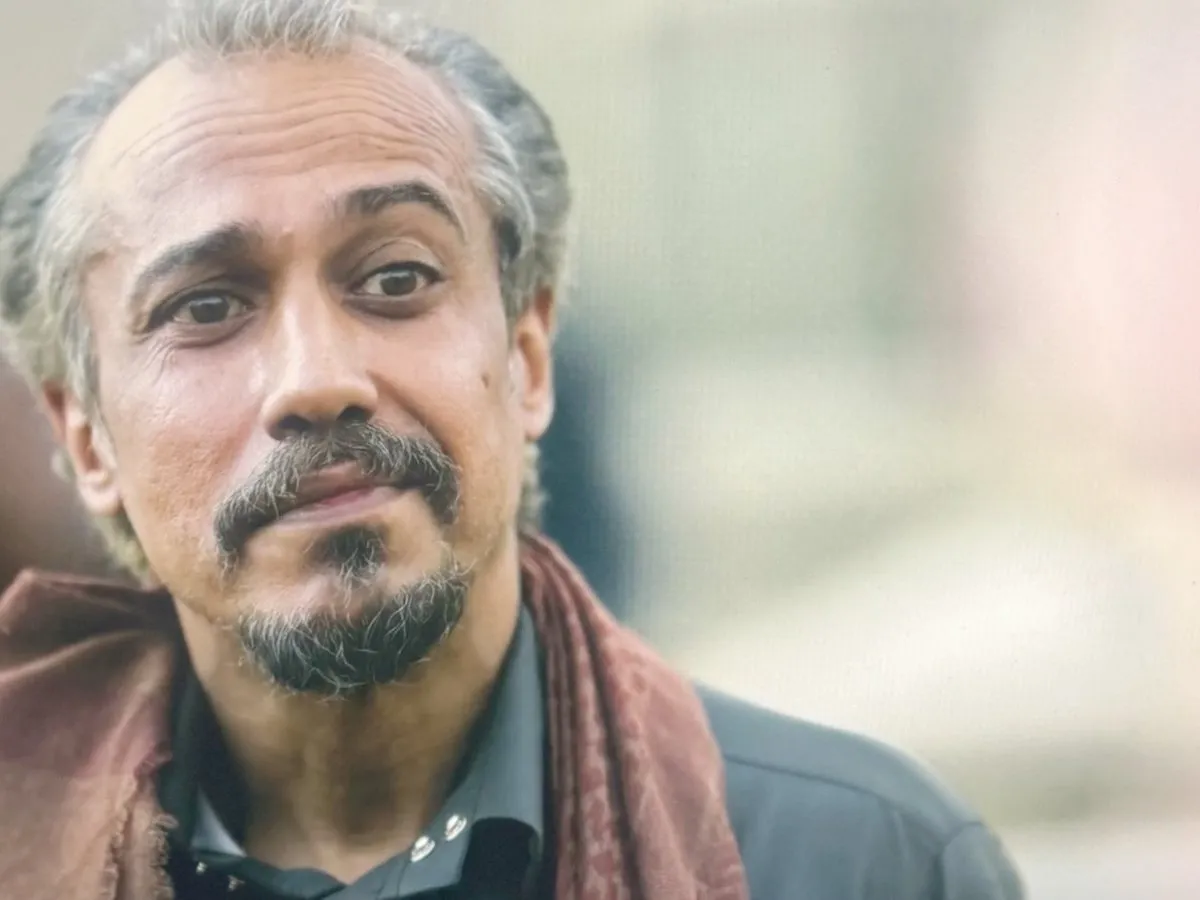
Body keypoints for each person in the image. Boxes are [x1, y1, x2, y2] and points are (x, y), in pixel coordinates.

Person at [0, 1, 1021, 897]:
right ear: (87, 438)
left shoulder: (862, 864)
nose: (317, 376)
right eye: (207, 307)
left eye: (396, 279)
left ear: (527, 359)